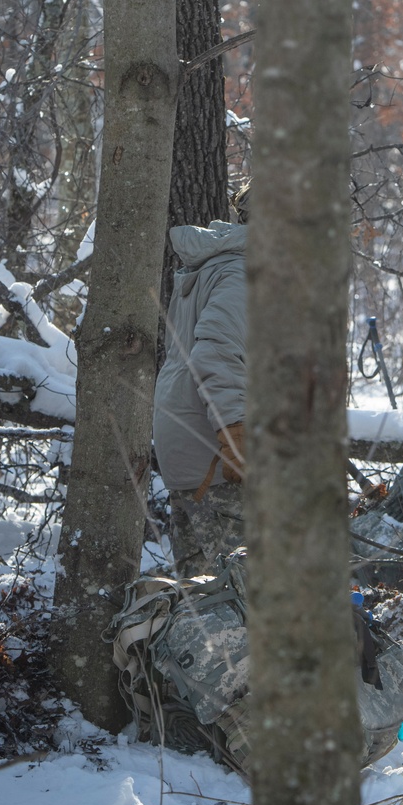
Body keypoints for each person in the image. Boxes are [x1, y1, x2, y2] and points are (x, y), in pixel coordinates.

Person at [153, 182, 250, 577]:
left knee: (201, 593)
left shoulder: (223, 265)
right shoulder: (246, 274)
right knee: (244, 594)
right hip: (216, 458)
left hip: (191, 449)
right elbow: (214, 354)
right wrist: (236, 433)